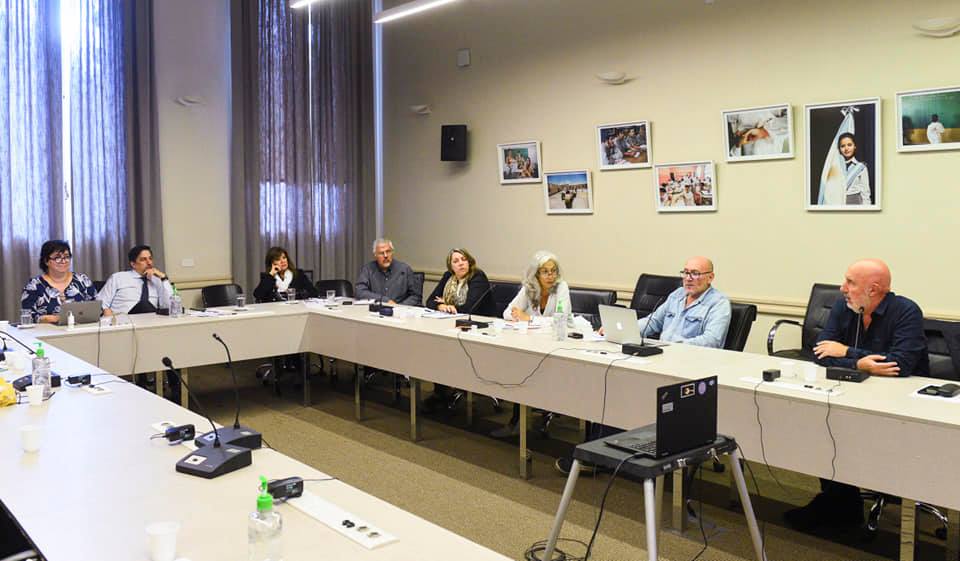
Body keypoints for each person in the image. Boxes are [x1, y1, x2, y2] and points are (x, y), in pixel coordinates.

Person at [783, 258, 928, 531]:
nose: (842, 288)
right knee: (824, 424)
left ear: (873, 289)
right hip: (853, 393)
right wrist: (860, 363)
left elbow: (900, 365)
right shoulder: (843, 307)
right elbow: (820, 352)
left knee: (847, 431)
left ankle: (842, 503)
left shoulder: (906, 311)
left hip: (901, 403)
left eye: (850, 282)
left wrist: (847, 352)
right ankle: (839, 503)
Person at [492, 251, 571, 437]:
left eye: (553, 271)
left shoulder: (561, 287)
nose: (550, 276)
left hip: (558, 343)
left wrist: (529, 319)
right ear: (536, 274)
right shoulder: (529, 288)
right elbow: (507, 312)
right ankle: (517, 421)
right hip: (532, 343)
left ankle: (519, 421)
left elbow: (560, 320)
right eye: (545, 271)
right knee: (519, 368)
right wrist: (519, 316)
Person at [423, 248, 493, 412]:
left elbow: (469, 308)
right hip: (454, 324)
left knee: (449, 349)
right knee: (438, 347)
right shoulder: (448, 277)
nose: (461, 263)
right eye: (456, 261)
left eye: (463, 259)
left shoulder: (477, 277)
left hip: (481, 327)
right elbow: (429, 302)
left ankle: (453, 388)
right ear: (450, 266)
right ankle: (441, 391)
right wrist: (441, 306)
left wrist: (448, 305)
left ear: (469, 261)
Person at [20, 240, 100, 324]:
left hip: (81, 328)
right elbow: (27, 316)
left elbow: (97, 308)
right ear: (46, 261)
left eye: (66, 257)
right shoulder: (34, 286)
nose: (63, 261)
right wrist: (48, 319)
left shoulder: (82, 280)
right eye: (57, 258)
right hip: (47, 330)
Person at [98, 245, 173, 315]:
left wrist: (164, 278)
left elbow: (170, 306)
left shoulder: (157, 280)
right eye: (143, 260)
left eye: (150, 258)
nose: (149, 263)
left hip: (151, 320)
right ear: (133, 264)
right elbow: (101, 301)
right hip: (123, 320)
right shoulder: (118, 277)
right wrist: (106, 312)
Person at [355, 238, 422, 306]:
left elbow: (416, 296)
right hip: (377, 309)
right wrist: (384, 300)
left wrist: (399, 306)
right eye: (381, 253)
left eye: (388, 251)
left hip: (401, 310)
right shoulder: (368, 269)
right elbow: (360, 292)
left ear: (392, 252)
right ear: (375, 255)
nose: (386, 256)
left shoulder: (405, 269)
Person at [252, 246, 318, 302]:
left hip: (295, 309)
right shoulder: (268, 277)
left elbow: (314, 293)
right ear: (272, 263)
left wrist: (299, 295)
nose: (282, 261)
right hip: (275, 311)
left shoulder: (298, 274)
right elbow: (257, 295)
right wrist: (271, 274)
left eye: (284, 258)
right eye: (278, 259)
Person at [836, 132, 871, 205]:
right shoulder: (836, 168)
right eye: (842, 146)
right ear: (839, 149)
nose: (846, 148)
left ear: (855, 146)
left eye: (849, 145)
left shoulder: (861, 167)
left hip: (855, 203)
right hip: (838, 202)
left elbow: (866, 193)